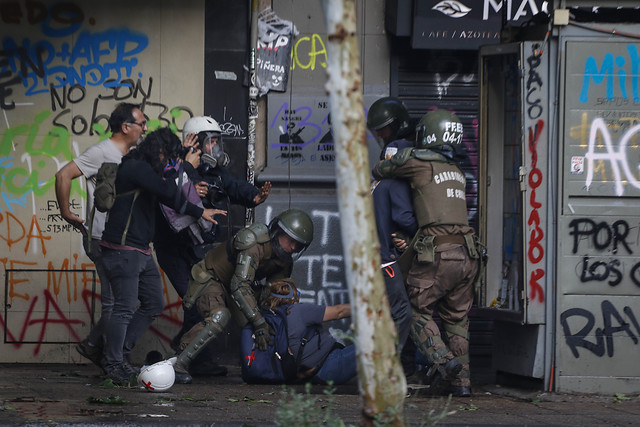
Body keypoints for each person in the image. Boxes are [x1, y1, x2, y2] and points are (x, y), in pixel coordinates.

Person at [100, 128, 225, 385]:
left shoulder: (150, 169)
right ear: (158, 151)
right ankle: (113, 363)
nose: (168, 162)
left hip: (141, 248)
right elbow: (169, 192)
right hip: (124, 247)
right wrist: (183, 167)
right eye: (166, 156)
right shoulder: (136, 167)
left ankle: (119, 354)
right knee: (124, 308)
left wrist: (200, 212)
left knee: (153, 303)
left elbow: (175, 199)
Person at [372, 109, 480, 397]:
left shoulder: (419, 163)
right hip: (469, 254)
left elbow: (382, 170)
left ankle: (444, 362)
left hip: (439, 252)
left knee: (414, 309)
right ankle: (463, 385)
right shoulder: (457, 171)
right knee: (456, 320)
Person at [153, 115, 271, 376]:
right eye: (211, 142)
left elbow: (233, 186)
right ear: (196, 141)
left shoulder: (215, 172)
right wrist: (189, 175)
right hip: (172, 248)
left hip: (196, 249)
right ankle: (186, 354)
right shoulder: (176, 167)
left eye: (218, 142)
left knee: (201, 302)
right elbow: (170, 191)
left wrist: (255, 196)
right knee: (196, 302)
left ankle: (197, 359)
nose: (215, 148)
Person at [54, 102, 147, 371]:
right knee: (115, 302)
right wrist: (65, 211)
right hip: (102, 238)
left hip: (127, 239)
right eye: (140, 123)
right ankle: (111, 360)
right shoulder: (101, 152)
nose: (144, 128)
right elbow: (63, 175)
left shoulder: (134, 155)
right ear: (125, 127)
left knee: (128, 302)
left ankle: (94, 345)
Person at [173, 208, 314, 384]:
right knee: (219, 316)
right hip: (213, 278)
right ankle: (178, 364)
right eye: (290, 240)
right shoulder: (254, 242)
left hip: (238, 286)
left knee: (266, 315)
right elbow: (238, 285)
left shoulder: (284, 258)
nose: (292, 247)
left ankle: (264, 365)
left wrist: (266, 317)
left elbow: (274, 293)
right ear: (278, 231)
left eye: (298, 245)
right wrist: (258, 321)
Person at [262, 278, 355, 385]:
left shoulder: (269, 316)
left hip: (309, 373)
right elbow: (339, 312)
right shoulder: (297, 310)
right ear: (293, 298)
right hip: (329, 366)